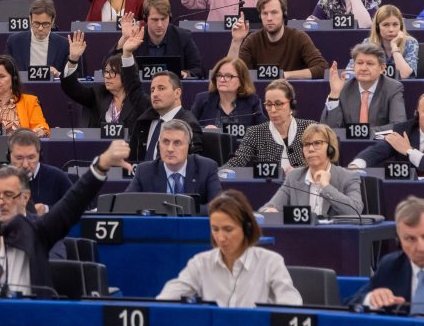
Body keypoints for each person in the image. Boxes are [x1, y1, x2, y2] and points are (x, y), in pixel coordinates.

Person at [0, 138, 126, 295]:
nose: (1, 201)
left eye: (9, 195)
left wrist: (101, 165)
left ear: (25, 197)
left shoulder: (32, 234)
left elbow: (70, 205)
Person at [158, 190, 300, 307]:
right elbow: (164, 301)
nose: (221, 238)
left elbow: (292, 309)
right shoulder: (201, 263)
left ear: (246, 227)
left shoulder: (271, 263)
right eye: (215, 229)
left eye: (228, 229)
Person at [119, 21, 203, 161]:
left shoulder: (188, 125)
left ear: (177, 93)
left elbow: (193, 165)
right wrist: (127, 54)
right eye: (152, 90)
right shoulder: (150, 112)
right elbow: (133, 88)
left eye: (161, 88)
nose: (155, 94)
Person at [260, 123, 363, 216]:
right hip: (302, 231)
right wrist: (269, 211)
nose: (311, 149)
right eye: (306, 144)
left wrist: (326, 187)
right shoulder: (294, 177)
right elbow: (268, 208)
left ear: (330, 148)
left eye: (317, 143)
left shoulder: (348, 177)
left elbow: (356, 211)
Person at [227, 0, 329, 80]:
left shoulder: (298, 37)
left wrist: (285, 75)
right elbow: (230, 72)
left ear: (284, 15)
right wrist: (236, 40)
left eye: (274, 13)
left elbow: (322, 68)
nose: (269, 18)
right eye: (265, 13)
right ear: (260, 16)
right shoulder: (252, 40)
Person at [348, 196, 424, 309]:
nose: (421, 248)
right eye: (410, 239)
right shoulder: (391, 265)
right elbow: (352, 302)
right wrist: (372, 298)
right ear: (399, 240)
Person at [61, 32, 147, 129]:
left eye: (112, 72)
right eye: (106, 72)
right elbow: (71, 88)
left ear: (125, 75)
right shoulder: (98, 94)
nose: (107, 76)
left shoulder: (138, 100)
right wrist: (73, 59)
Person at [224, 79, 314, 171]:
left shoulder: (310, 129)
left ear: (291, 104)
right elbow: (238, 161)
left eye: (278, 104)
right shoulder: (255, 133)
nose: (273, 110)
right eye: (269, 104)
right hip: (269, 181)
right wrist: (219, 173)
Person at [125, 119, 222, 205]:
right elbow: (126, 205)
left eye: (177, 143)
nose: (170, 149)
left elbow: (218, 206)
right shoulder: (145, 171)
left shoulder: (206, 168)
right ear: (159, 145)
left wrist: (184, 210)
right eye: (166, 142)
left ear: (189, 147)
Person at [116, 0, 205, 79]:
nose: (159, 24)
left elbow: (199, 69)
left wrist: (187, 73)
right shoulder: (135, 36)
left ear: (169, 17)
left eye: (163, 19)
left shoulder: (183, 37)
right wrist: (124, 38)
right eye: (155, 20)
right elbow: (113, 69)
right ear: (145, 19)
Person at [321, 44, 406, 128]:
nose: (363, 68)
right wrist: (334, 94)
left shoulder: (393, 88)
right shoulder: (344, 88)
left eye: (370, 64)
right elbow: (328, 129)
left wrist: (365, 133)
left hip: (378, 137)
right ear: (353, 66)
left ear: (382, 68)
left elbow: (398, 125)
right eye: (360, 63)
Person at [349, 94, 424, 171]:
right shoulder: (404, 129)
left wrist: (409, 150)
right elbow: (378, 151)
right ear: (417, 114)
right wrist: (357, 164)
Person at [190, 57, 266, 131]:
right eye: (219, 75)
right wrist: (204, 129)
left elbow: (264, 129)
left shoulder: (252, 101)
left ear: (241, 81)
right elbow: (188, 126)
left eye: (228, 76)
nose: (222, 79)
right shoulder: (202, 99)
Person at [7, 130, 71, 214]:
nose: (25, 165)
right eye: (19, 158)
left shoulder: (57, 177)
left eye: (31, 158)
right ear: (8, 157)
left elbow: (77, 209)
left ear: (40, 156)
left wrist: (47, 210)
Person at [346, 5, 418, 79]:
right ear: (378, 27)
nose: (391, 29)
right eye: (386, 25)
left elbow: (404, 75)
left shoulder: (410, 42)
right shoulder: (368, 43)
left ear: (401, 26)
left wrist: (394, 46)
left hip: (403, 86)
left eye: (395, 24)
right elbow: (350, 70)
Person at [4, 0, 70, 75]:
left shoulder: (63, 44)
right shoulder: (14, 41)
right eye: (36, 23)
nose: (40, 28)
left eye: (45, 24)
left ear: (52, 21)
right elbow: (5, 71)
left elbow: (70, 77)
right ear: (30, 19)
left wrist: (57, 74)